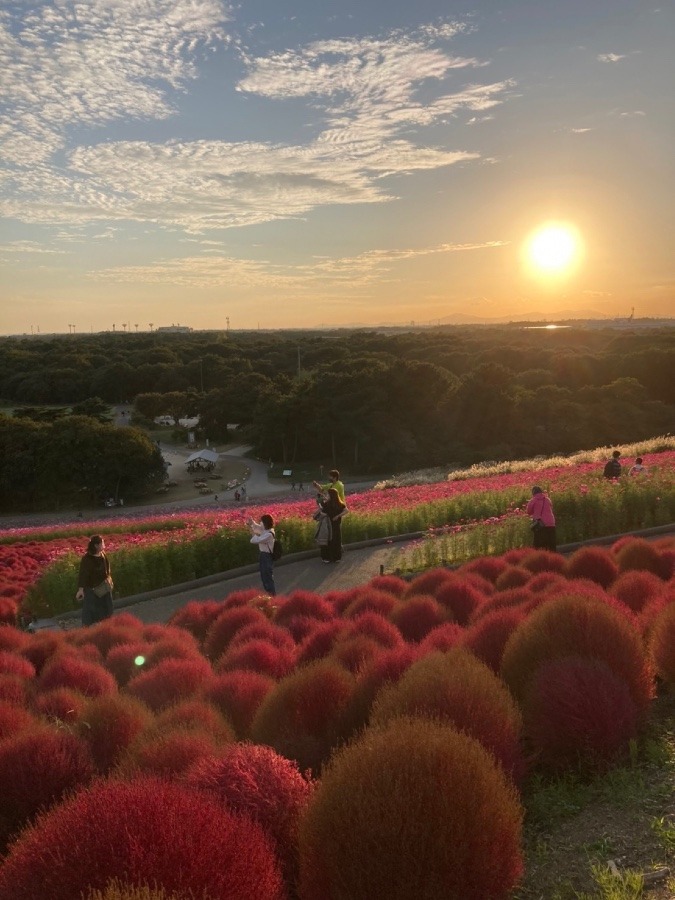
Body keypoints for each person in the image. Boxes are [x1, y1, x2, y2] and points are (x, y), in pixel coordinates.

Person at [75, 535, 114, 626]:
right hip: (92, 589)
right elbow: (83, 574)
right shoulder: (87, 559)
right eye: (102, 543)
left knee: (107, 609)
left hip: (104, 588)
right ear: (96, 545)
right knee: (90, 611)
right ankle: (88, 629)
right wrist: (81, 590)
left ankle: (105, 626)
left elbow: (107, 568)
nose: (104, 545)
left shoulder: (103, 555)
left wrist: (109, 580)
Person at [248, 514, 276, 595]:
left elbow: (256, 540)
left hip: (266, 557)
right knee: (264, 577)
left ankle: (272, 596)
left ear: (265, 523)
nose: (260, 523)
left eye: (261, 521)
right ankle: (270, 595)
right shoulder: (266, 531)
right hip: (263, 556)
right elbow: (258, 528)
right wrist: (252, 522)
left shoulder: (269, 534)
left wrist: (251, 529)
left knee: (267, 577)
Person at [317, 487, 348, 562]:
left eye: (328, 494)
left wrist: (321, 506)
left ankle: (326, 558)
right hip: (336, 525)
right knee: (336, 540)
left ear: (331, 495)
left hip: (327, 525)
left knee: (327, 541)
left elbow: (322, 513)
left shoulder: (326, 504)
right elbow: (346, 510)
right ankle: (336, 557)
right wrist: (338, 516)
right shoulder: (339, 503)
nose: (327, 495)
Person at [526, 486, 556, 552]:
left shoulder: (533, 500)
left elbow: (528, 512)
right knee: (551, 544)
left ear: (533, 493)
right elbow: (551, 507)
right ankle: (554, 558)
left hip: (540, 525)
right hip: (551, 523)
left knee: (539, 545)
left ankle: (541, 559)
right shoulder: (547, 499)